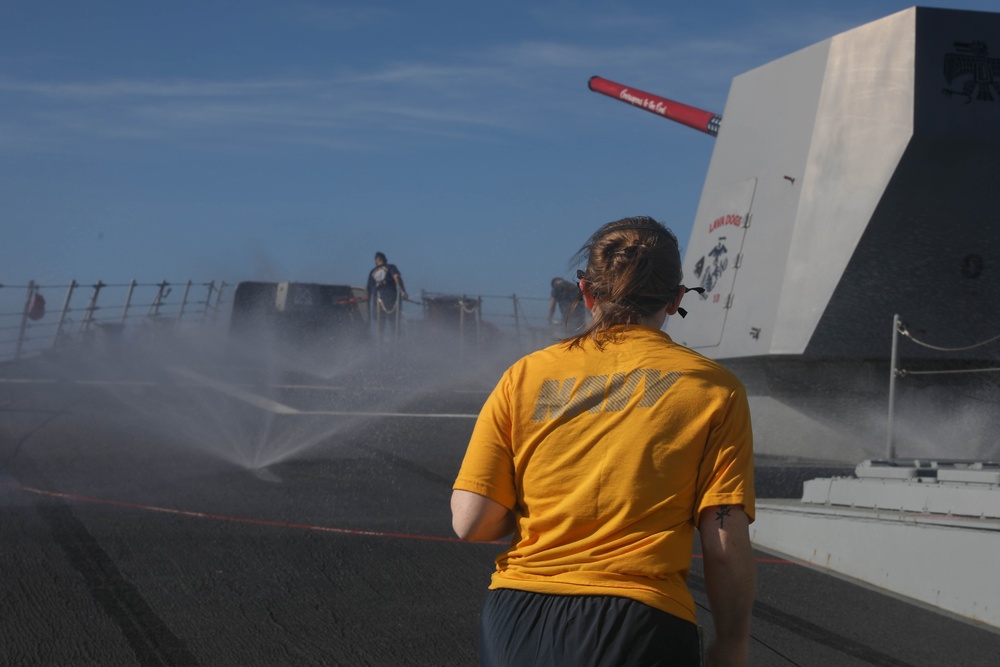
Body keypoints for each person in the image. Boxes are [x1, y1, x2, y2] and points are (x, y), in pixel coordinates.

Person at [451, 216, 755, 667]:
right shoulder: (715, 388)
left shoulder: (525, 375)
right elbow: (724, 542)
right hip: (641, 622)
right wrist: (731, 642)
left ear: (587, 292)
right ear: (675, 299)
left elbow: (470, 521)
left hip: (517, 617)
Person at [366, 251, 408, 340]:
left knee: (380, 326)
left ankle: (379, 346)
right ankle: (397, 344)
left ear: (376, 261)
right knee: (394, 324)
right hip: (391, 298)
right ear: (385, 260)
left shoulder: (372, 272)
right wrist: (403, 291)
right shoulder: (391, 267)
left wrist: (368, 307)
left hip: (377, 301)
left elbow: (369, 290)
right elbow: (396, 277)